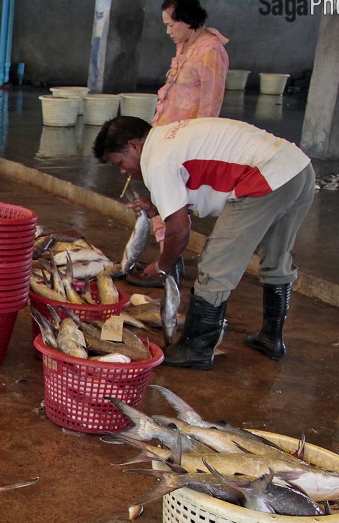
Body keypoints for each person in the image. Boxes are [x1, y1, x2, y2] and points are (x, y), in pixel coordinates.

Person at [93, 115, 316, 369]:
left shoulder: (156, 160)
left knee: (216, 264)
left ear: (134, 145)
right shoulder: (170, 138)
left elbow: (179, 230)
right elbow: (198, 180)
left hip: (265, 176)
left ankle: (196, 347)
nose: (124, 172)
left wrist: (163, 266)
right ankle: (271, 338)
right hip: (298, 169)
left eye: (120, 163)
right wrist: (157, 205)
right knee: (277, 257)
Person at [153, 0, 228, 126]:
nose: (168, 31)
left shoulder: (211, 50)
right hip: (169, 128)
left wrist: (199, 135)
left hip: (188, 132)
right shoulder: (184, 43)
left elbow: (210, 103)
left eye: (171, 25)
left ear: (187, 21)